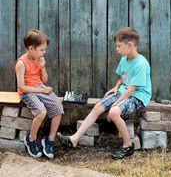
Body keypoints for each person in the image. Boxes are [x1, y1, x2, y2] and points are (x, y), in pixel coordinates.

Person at [57, 27, 151, 159]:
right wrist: (115, 87)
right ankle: (74, 139)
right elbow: (122, 78)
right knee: (98, 107)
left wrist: (115, 104)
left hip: (138, 95)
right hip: (123, 91)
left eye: (119, 46)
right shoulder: (124, 59)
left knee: (113, 112)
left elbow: (132, 89)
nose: (116, 49)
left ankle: (128, 145)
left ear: (129, 45)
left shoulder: (141, 64)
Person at [14, 29, 64, 159]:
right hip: (28, 92)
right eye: (41, 50)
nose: (44, 52)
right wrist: (42, 90)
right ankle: (31, 139)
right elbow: (22, 87)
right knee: (41, 112)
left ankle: (50, 140)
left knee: (58, 108)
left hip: (40, 87)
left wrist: (42, 67)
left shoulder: (38, 60)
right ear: (31, 48)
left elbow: (44, 80)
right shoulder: (21, 63)